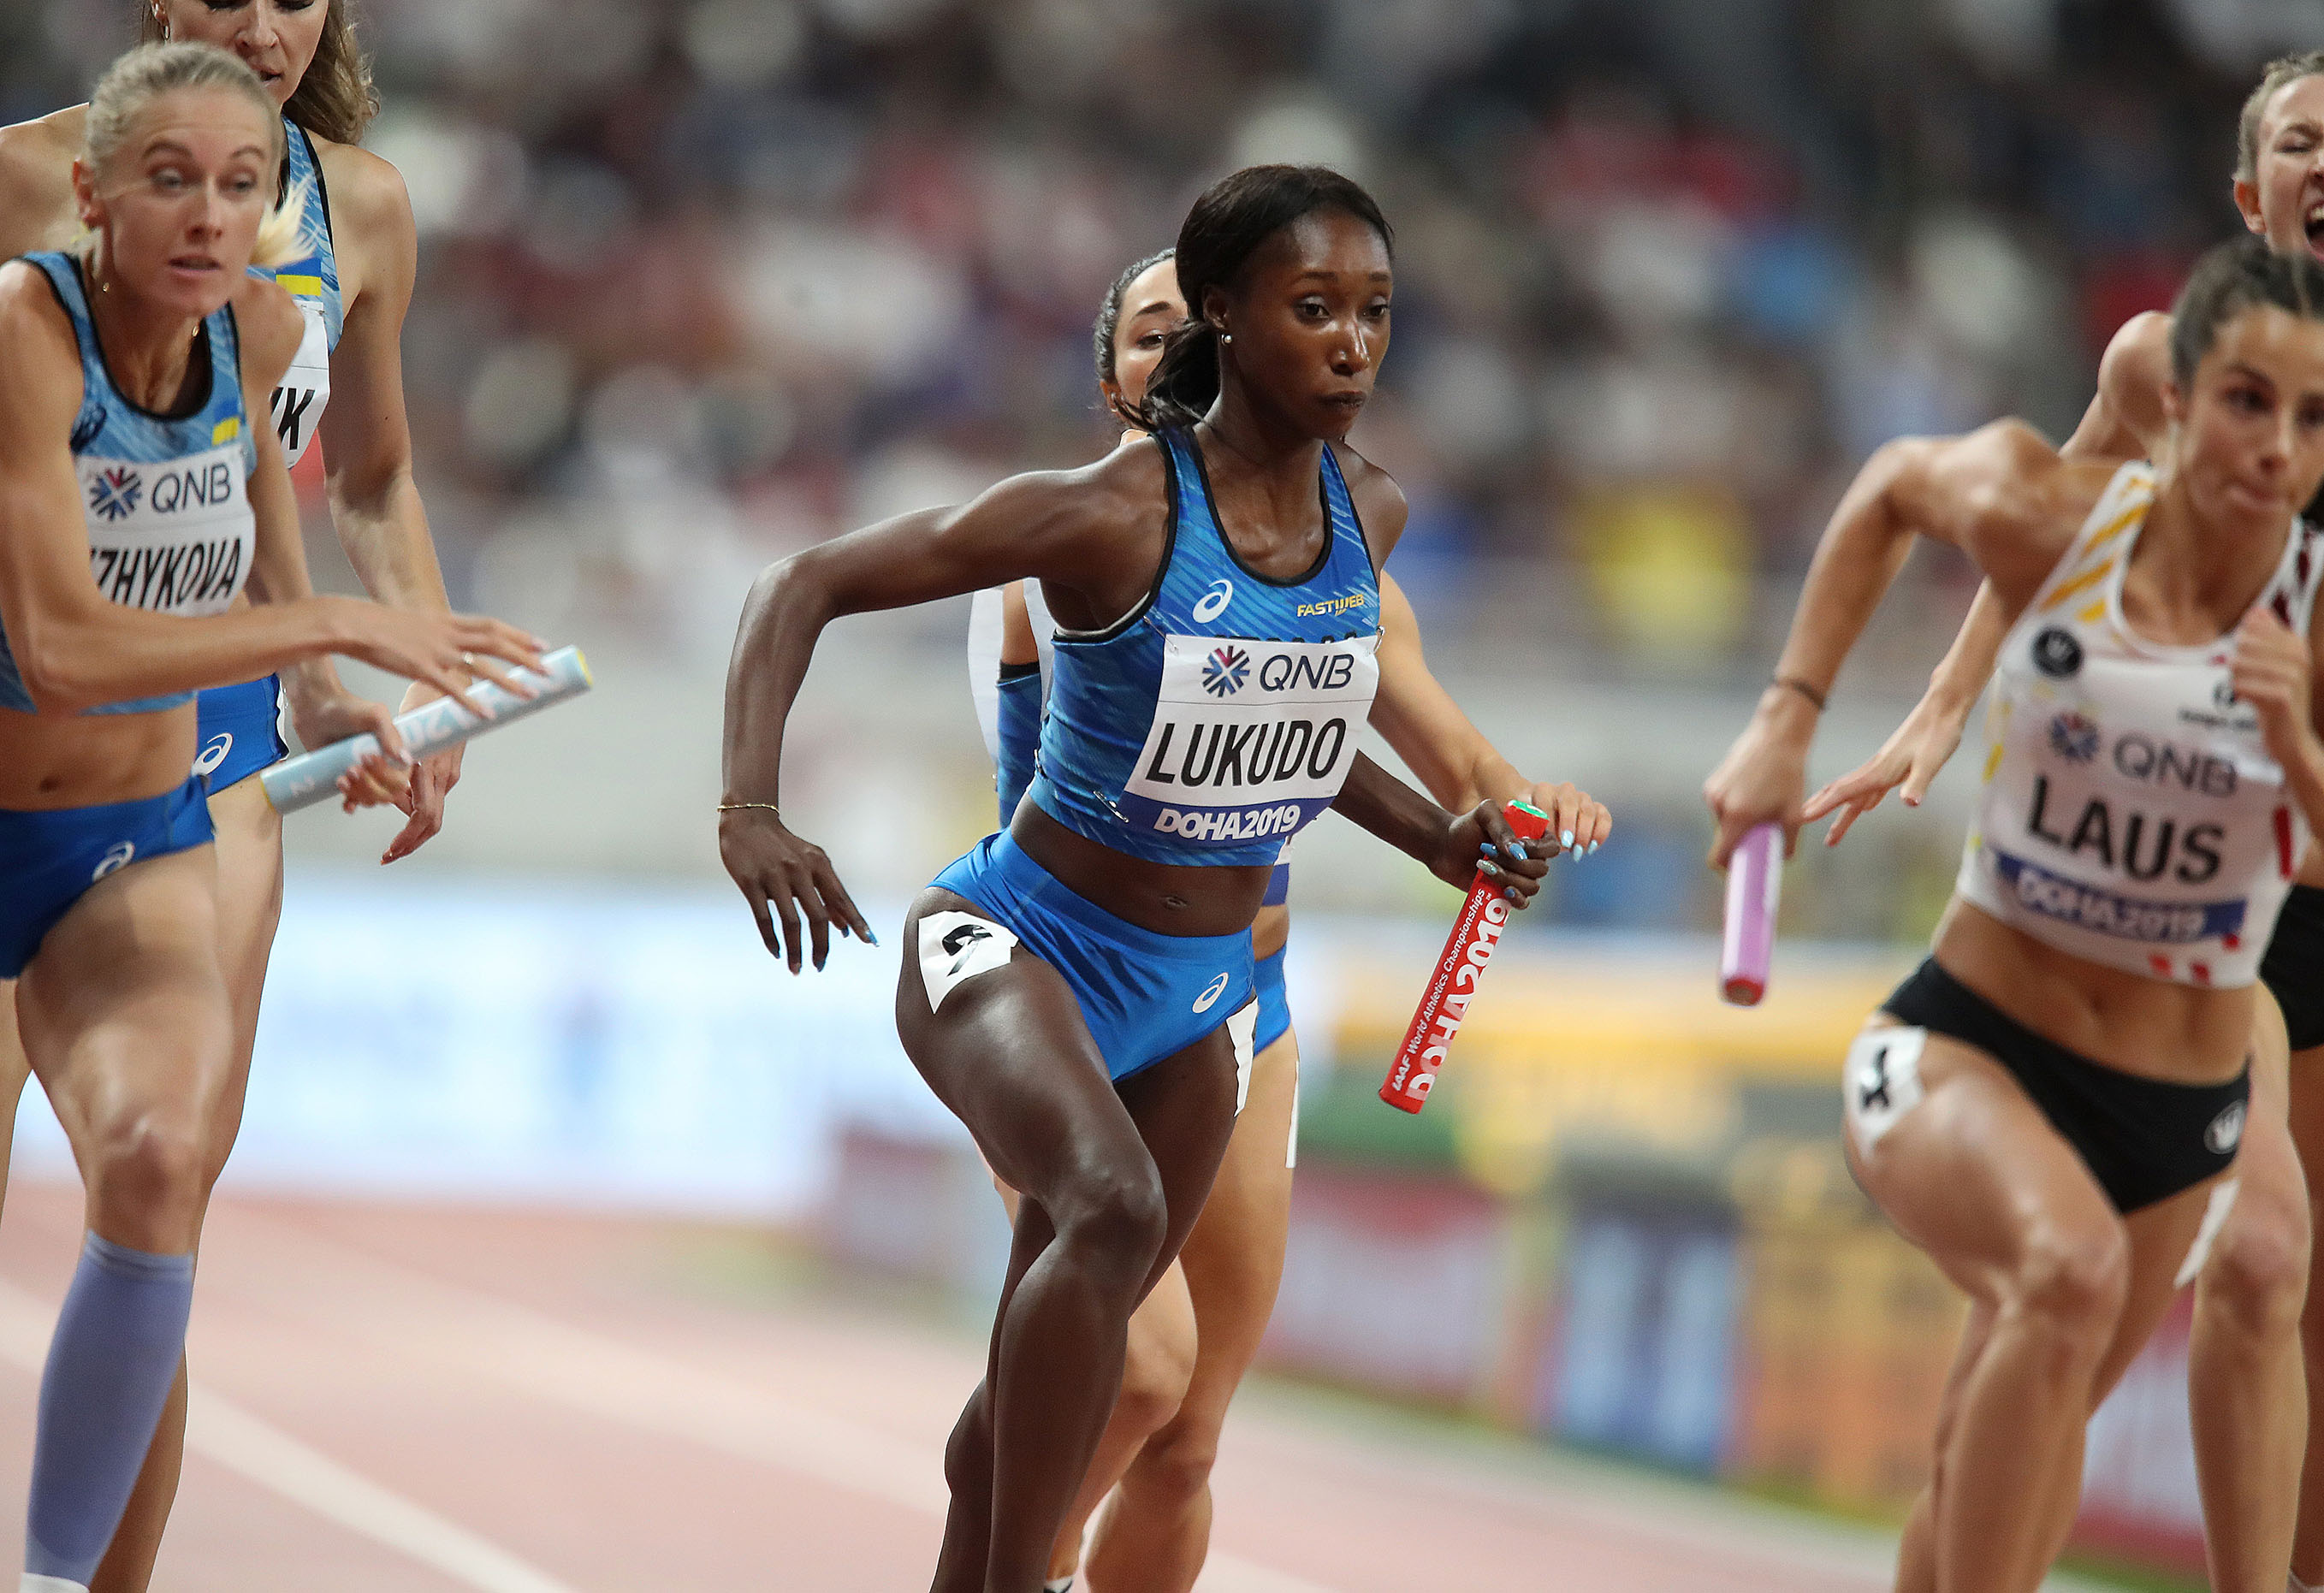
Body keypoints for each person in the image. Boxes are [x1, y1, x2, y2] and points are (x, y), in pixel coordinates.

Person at [724, 164, 1561, 1593]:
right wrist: (751, 807)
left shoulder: (1370, 512)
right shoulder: (1107, 511)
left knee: (1079, 1369)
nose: (1354, 345)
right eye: (1314, 309)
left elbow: (1288, 726)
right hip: (1018, 947)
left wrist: (1437, 835)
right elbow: (796, 582)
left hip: (1201, 997)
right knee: (1108, 1219)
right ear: (1224, 315)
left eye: (1375, 311)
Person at [966, 248, 1609, 1592]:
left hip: (1242, 1014)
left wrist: (1523, 804)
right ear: (1109, 378)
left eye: (1194, 331)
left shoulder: (1330, 556)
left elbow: (1454, 754)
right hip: (1072, 1002)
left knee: (1189, 1439)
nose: (1175, 356)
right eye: (1146, 335)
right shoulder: (1053, 550)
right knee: (1142, 1371)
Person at [1702, 237, 2324, 1593]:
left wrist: (2297, 748)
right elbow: (1891, 486)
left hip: (2177, 1113)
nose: (2278, 447)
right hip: (1970, 1049)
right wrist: (1786, 722)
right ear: (2177, 398)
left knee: (1997, 1468)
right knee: (2066, 1268)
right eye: (2246, 402)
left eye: (2312, 417)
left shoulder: (2313, 624)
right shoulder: (2058, 513)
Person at [0, 41, 539, 1593]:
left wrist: (352, 686)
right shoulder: (23, 304)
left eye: (241, 186)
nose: (213, 214)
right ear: (93, 194)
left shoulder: (271, 321)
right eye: (174, 180)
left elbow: (295, 527)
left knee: (159, 1167)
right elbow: (61, 644)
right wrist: (334, 631)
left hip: (151, 808)